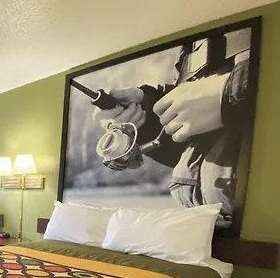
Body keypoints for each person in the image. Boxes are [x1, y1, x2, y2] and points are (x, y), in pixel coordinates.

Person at [91, 31, 253, 228]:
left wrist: (231, 93)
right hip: (211, 227)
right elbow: (185, 151)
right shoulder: (192, 42)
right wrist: (147, 119)